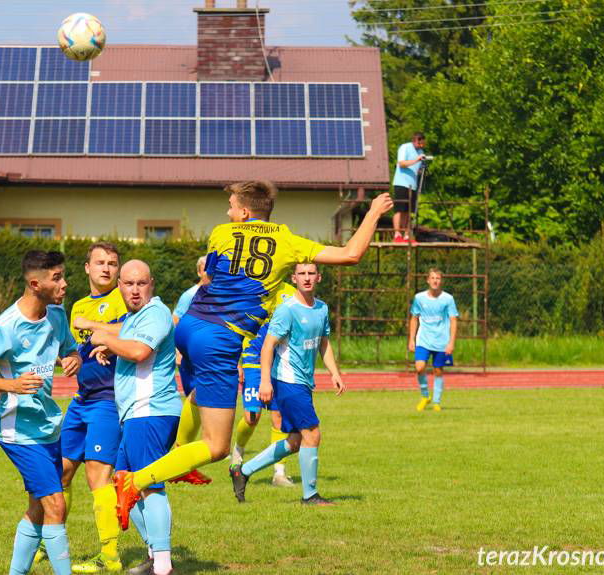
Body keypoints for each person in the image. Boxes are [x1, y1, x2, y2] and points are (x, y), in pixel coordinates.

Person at [112, 180, 393, 526]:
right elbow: (351, 253)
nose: (228, 212)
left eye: (231, 206)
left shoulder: (220, 233)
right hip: (218, 340)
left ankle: (175, 454)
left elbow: (216, 279)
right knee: (216, 447)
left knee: (199, 398)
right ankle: (135, 480)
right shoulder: (288, 241)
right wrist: (375, 213)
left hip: (187, 327)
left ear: (244, 213)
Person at [0, 250, 81, 575]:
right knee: (56, 505)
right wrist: (12, 385)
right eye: (56, 278)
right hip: (18, 433)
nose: (64, 283)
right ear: (35, 283)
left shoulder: (57, 316)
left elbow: (69, 349)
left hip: (49, 428)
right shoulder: (5, 327)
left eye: (63, 275)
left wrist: (74, 358)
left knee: (38, 507)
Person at [88, 260, 182, 575]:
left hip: (151, 410)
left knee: (149, 486)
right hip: (136, 414)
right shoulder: (134, 318)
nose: (135, 290)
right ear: (120, 287)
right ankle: (156, 554)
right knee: (124, 485)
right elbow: (128, 344)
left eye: (141, 283)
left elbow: (141, 351)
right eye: (128, 284)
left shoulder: (156, 312)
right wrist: (111, 347)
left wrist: (104, 338)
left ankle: (163, 564)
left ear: (151, 284)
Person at [229, 263, 344, 505]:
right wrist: (264, 382)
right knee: (312, 434)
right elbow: (268, 346)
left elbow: (323, 342)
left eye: (311, 273)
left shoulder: (321, 308)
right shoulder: (287, 310)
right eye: (302, 274)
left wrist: (334, 372)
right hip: (287, 381)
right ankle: (310, 495)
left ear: (319, 277)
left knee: (295, 441)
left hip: (303, 382)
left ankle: (243, 471)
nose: (307, 278)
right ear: (294, 278)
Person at [55, 242, 127, 574]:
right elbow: (78, 349)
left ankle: (110, 557)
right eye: (100, 262)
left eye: (112, 263)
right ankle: (49, 542)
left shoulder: (124, 299)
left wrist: (97, 330)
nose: (106, 268)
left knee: (98, 477)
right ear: (87, 268)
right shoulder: (78, 306)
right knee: (61, 473)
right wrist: (69, 359)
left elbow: (130, 330)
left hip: (109, 400)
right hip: (82, 399)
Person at [231, 282, 297, 487]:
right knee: (252, 416)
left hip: (279, 361)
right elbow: (236, 328)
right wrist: (236, 362)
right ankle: (237, 453)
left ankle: (279, 473)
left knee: (278, 417)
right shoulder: (251, 288)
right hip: (252, 358)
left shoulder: (290, 293)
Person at [166, 255, 213, 486]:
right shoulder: (190, 295)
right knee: (197, 400)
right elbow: (176, 321)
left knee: (203, 403)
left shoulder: (218, 294)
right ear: (198, 272)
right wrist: (179, 349)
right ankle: (182, 457)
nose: (208, 272)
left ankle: (186, 460)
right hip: (192, 357)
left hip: (206, 355)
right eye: (204, 268)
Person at [409, 268, 458, 412]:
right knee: (419, 367)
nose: (435, 281)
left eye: (438, 278)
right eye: (433, 278)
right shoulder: (419, 298)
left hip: (441, 342)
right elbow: (414, 318)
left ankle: (436, 401)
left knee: (438, 371)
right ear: (428, 280)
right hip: (423, 341)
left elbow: (453, 320)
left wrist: (451, 342)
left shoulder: (448, 299)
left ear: (441, 281)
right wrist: (412, 339)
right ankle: (425, 396)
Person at [392, 132, 427, 244]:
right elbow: (402, 164)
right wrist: (417, 160)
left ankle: (407, 235)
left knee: (409, 211)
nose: (421, 146)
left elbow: (417, 169)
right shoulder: (405, 147)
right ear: (416, 140)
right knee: (399, 209)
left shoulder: (420, 152)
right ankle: (397, 234)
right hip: (401, 183)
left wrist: (422, 168)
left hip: (413, 185)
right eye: (420, 144)